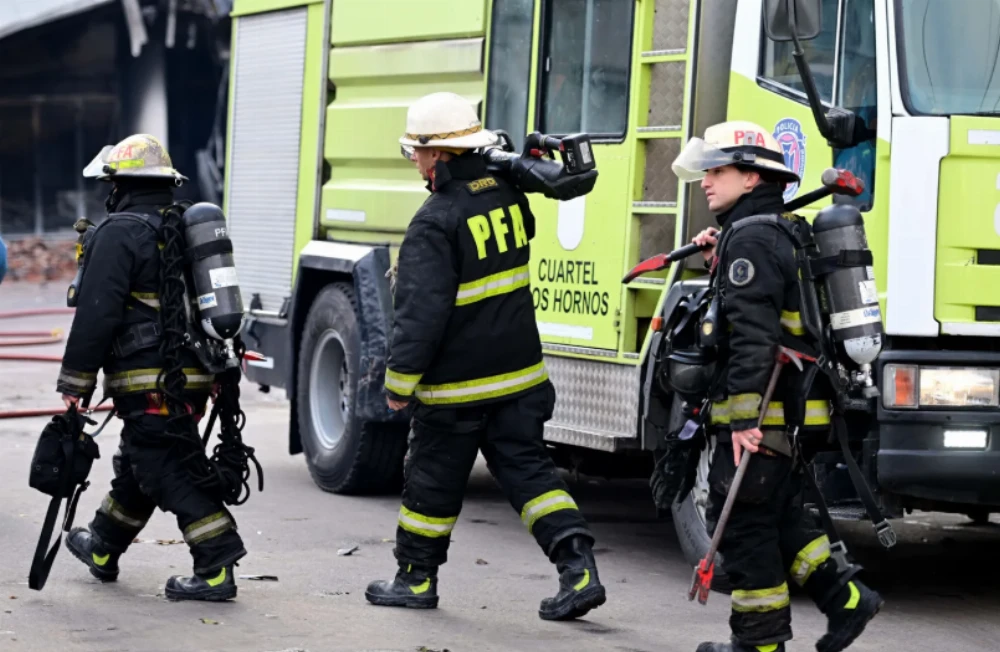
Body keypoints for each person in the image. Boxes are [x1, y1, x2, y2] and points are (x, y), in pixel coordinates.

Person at [366, 92, 606, 621]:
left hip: (457, 390)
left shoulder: (434, 222)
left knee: (430, 481)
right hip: (520, 377)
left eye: (417, 154)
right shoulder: (505, 194)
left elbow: (419, 318)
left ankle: (413, 578)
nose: (416, 163)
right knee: (531, 475)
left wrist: (398, 385)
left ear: (439, 156)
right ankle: (579, 568)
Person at [673, 121, 883, 652]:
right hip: (794, 412)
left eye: (718, 170)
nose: (706, 180)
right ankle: (848, 598)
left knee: (746, 531)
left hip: (763, 417)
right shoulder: (777, 229)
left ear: (751, 177)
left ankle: (759, 644)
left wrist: (742, 422)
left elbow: (753, 338)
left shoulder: (754, 238)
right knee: (783, 517)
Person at [58, 134, 246, 602]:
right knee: (141, 459)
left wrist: (75, 382)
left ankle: (216, 563)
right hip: (196, 374)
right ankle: (103, 545)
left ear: (120, 184)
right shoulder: (184, 223)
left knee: (164, 466)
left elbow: (97, 313)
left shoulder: (119, 231)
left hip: (150, 379)